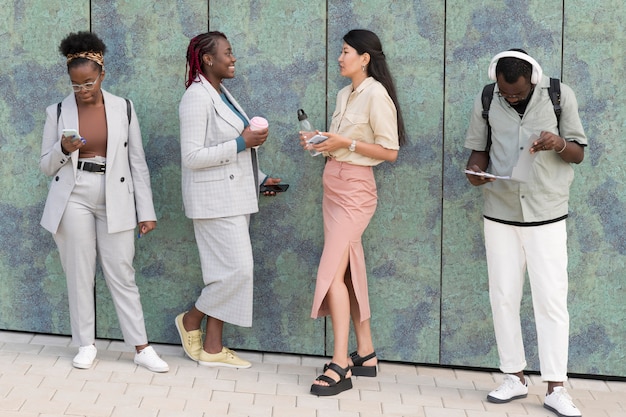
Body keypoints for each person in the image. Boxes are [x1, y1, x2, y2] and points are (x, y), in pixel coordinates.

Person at [464, 49, 587, 417]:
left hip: (546, 212)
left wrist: (558, 144)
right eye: (506, 93)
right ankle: (514, 377)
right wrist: (474, 171)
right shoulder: (488, 98)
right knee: (503, 296)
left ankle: (556, 387)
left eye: (516, 93)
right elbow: (478, 151)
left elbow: (578, 152)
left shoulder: (558, 95)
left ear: (531, 80)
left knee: (550, 300)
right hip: (499, 211)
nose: (510, 97)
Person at [39, 31, 169, 372]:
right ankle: (85, 344)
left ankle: (141, 347)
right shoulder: (56, 111)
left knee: (122, 272)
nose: (82, 91)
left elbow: (137, 161)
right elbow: (45, 165)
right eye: (75, 85)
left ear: (102, 75)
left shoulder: (124, 107)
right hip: (74, 193)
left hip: (116, 194)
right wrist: (63, 149)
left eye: (88, 83)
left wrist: (147, 211)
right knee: (79, 273)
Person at [300, 29, 406, 396]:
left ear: (365, 58)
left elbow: (389, 151)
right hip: (333, 183)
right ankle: (366, 353)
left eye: (346, 52)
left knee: (331, 272)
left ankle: (340, 363)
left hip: (357, 191)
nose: (340, 57)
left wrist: (345, 142)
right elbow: (342, 145)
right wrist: (322, 141)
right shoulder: (345, 94)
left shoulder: (377, 94)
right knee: (346, 269)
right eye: (340, 51)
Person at [175, 31, 283, 368]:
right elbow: (192, 156)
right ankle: (191, 320)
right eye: (228, 52)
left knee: (225, 272)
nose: (233, 58)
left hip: (236, 197)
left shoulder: (223, 94)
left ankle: (211, 349)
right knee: (238, 271)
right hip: (212, 202)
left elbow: (236, 150)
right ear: (208, 59)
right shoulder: (196, 97)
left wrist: (261, 179)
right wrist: (242, 141)